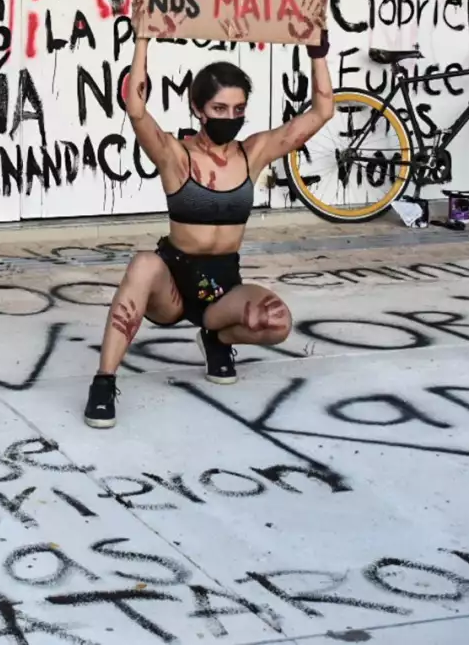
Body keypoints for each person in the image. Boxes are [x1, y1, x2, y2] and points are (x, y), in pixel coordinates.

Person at [84, 30, 334, 428]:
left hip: (222, 288)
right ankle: (104, 381)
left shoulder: (252, 153)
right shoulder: (175, 156)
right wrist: (143, 39)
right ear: (198, 109)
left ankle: (217, 338)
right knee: (143, 264)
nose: (229, 118)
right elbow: (135, 108)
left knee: (277, 323)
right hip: (173, 286)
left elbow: (322, 112)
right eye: (219, 108)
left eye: (238, 109)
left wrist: (317, 50)